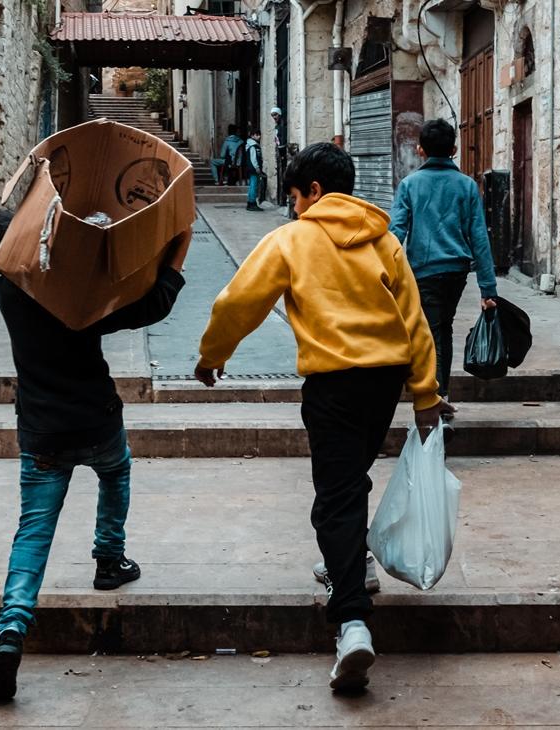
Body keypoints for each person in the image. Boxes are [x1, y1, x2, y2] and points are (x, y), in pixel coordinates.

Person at [194, 143, 452, 692]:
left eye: (294, 196)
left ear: (313, 191)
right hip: (384, 381)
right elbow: (415, 319)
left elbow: (238, 303)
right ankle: (350, 564)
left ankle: (352, 622)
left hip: (332, 383)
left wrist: (212, 355)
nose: (292, 208)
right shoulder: (384, 240)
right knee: (352, 478)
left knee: (335, 495)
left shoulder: (292, 240)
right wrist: (425, 393)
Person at [0, 208, 190, 701]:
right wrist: (175, 255)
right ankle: (109, 560)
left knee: (33, 531)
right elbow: (147, 306)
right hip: (95, 419)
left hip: (41, 429)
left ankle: (11, 633)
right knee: (116, 473)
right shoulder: (68, 286)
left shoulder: (6, 290)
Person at [389, 118, 498, 398]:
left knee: (432, 331)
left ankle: (436, 401)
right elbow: (479, 238)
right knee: (441, 328)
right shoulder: (467, 186)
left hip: (423, 272)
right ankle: (437, 395)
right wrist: (488, 288)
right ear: (454, 150)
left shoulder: (410, 185)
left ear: (420, 150)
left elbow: (396, 232)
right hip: (455, 272)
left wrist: (383, 271)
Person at [243, 129, 264, 211]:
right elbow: (253, 158)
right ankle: (251, 203)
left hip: (253, 169)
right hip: (253, 169)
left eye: (259, 134)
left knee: (253, 185)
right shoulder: (252, 146)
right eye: (257, 134)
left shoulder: (254, 145)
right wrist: (257, 168)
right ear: (252, 136)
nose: (259, 136)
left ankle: (252, 202)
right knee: (253, 186)